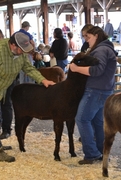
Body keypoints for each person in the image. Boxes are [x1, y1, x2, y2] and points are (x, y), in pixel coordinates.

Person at [0, 32, 55, 162]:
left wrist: (43, 80)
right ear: (13, 45)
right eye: (21, 50)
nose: (23, 53)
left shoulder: (21, 52)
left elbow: (28, 68)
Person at [69, 26, 117, 165]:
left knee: (82, 119)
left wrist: (76, 69)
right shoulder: (107, 48)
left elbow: (97, 70)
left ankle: (91, 154)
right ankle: (101, 152)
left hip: (95, 90)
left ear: (96, 35)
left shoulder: (101, 50)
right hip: (105, 90)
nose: (86, 40)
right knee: (97, 122)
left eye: (88, 37)